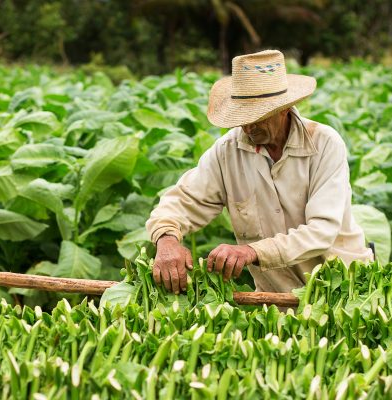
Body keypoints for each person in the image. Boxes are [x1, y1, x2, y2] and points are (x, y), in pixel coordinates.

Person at [145, 50, 373, 294]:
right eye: (243, 116)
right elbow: (183, 200)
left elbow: (322, 232)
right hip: (275, 297)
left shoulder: (324, 143)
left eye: (258, 116)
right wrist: (167, 239)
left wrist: (251, 251)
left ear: (284, 109)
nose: (248, 126)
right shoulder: (228, 150)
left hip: (342, 293)